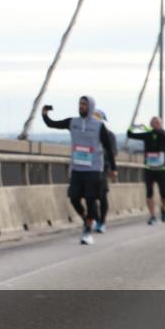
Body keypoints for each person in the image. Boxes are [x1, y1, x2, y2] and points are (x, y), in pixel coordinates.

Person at [42, 96, 118, 245]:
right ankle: (87, 220)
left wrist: (113, 169)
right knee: (74, 198)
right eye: (80, 104)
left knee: (90, 200)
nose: (81, 106)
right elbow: (52, 124)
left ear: (90, 107)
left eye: (84, 104)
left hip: (94, 170)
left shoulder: (99, 126)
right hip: (77, 169)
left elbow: (108, 148)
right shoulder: (73, 122)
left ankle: (87, 232)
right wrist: (45, 113)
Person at [127, 116, 165, 225]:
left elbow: (162, 135)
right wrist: (134, 127)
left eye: (157, 123)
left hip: (161, 169)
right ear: (150, 124)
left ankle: (163, 208)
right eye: (153, 123)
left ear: (161, 124)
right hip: (149, 168)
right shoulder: (147, 135)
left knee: (163, 194)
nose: (155, 124)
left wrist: (148, 128)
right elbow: (130, 135)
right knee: (149, 193)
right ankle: (152, 215)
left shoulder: (164, 134)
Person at [92, 109, 115, 234]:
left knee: (102, 196)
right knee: (90, 196)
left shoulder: (109, 135)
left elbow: (112, 152)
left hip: (102, 168)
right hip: (88, 168)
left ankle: (102, 221)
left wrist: (112, 168)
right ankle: (97, 219)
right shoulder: (87, 132)